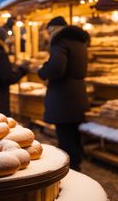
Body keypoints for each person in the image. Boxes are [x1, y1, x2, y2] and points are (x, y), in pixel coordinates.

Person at [37, 16, 90, 171]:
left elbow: (56, 68)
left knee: (65, 139)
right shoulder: (80, 42)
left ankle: (70, 172)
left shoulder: (60, 41)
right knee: (73, 136)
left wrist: (42, 70)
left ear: (54, 29)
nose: (48, 34)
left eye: (49, 31)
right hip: (78, 95)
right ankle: (76, 167)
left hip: (64, 98)